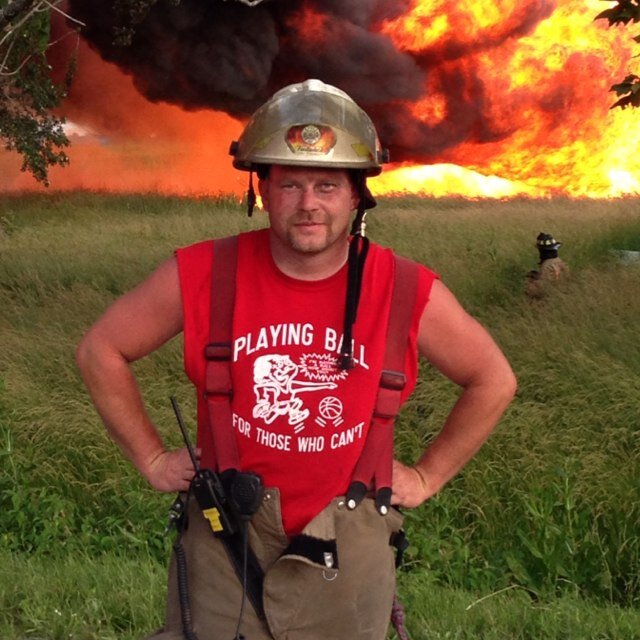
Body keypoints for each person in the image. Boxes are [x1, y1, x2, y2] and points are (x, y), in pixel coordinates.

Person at [76, 79, 516, 640]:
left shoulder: (403, 288)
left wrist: (428, 475)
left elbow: (492, 379)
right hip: (225, 539)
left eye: (327, 186)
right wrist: (153, 460)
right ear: (262, 190)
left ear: (357, 194)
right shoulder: (206, 273)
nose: (308, 204)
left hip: (348, 543)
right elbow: (100, 350)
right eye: (290, 184)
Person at [525, 232, 570, 299]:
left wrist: (530, 282)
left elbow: (542, 289)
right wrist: (537, 275)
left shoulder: (546, 266)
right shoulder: (560, 262)